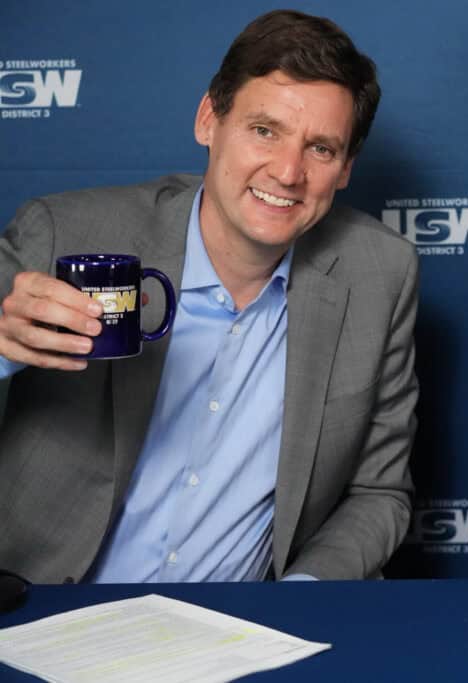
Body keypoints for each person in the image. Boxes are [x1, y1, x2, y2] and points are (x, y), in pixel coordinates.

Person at [0, 10, 418, 583]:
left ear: (345, 169)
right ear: (208, 121)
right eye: (264, 131)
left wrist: (300, 597)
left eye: (321, 149)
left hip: (235, 637)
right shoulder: (65, 235)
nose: (288, 171)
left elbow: (378, 493)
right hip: (44, 608)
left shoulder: (379, 274)